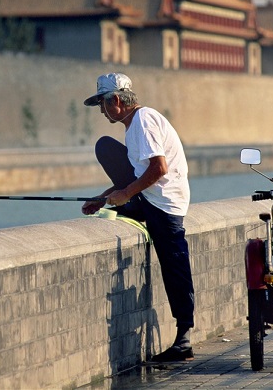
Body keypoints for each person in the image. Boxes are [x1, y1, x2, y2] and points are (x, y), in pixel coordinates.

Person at [82, 72, 195, 362]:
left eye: (102, 105)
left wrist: (126, 194)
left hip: (164, 205)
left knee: (174, 266)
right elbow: (135, 174)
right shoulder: (133, 125)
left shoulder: (143, 122)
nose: (102, 111)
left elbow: (159, 168)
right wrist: (103, 197)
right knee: (105, 146)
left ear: (116, 100)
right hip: (147, 199)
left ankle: (184, 337)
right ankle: (117, 203)